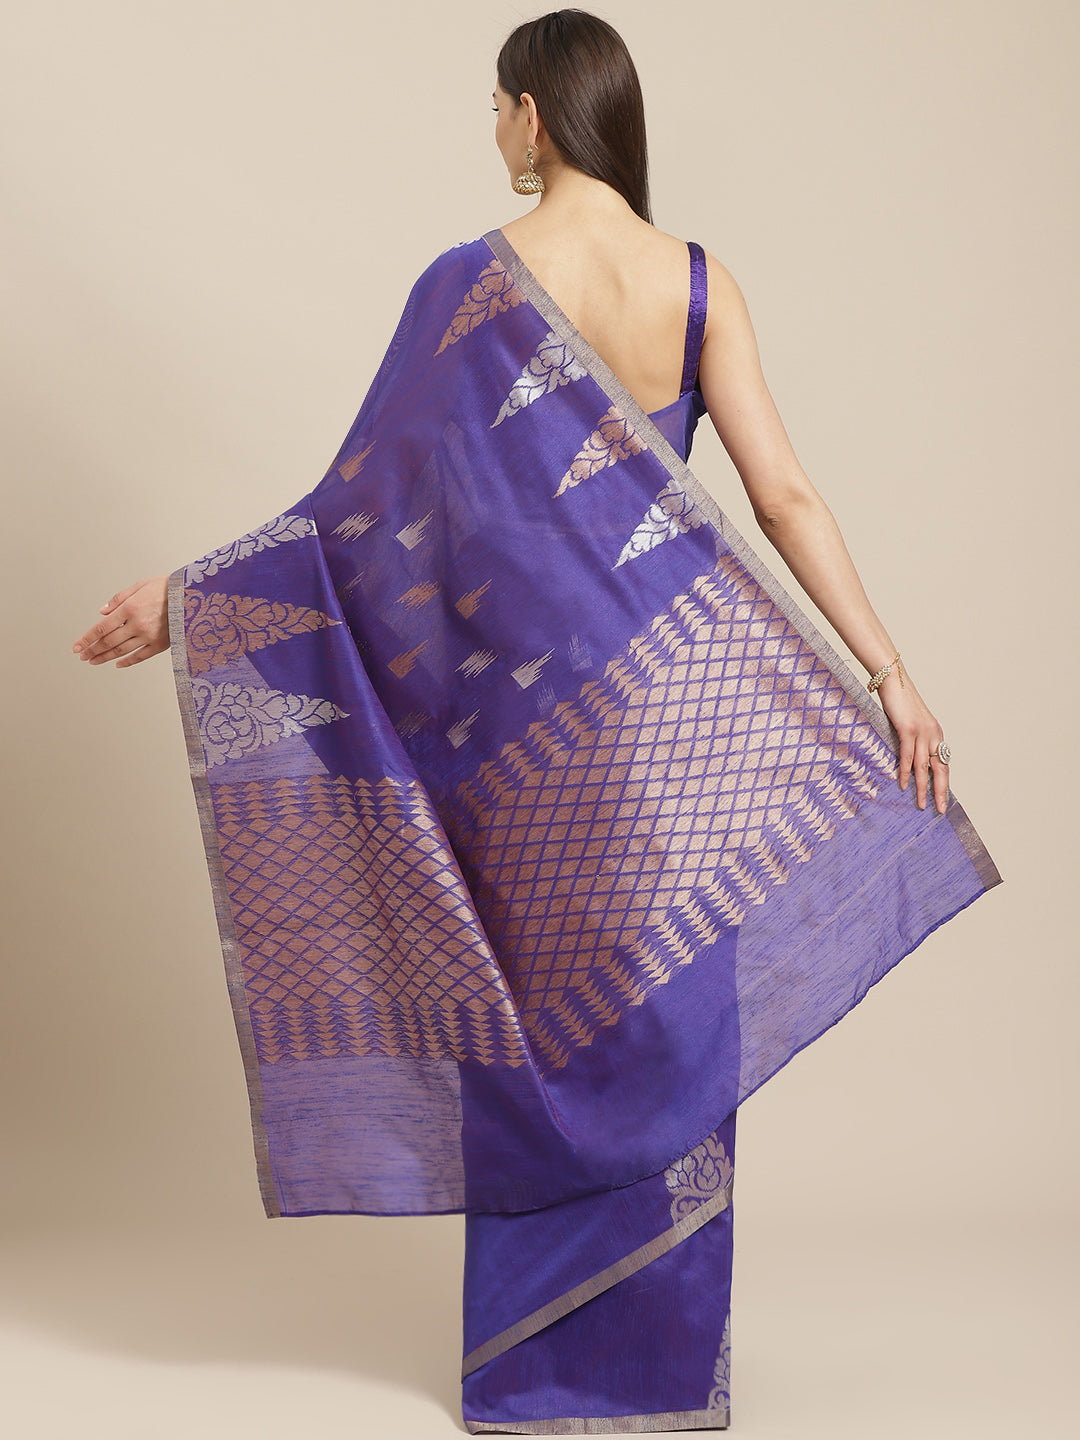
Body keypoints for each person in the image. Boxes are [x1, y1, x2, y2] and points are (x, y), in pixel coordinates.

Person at [71, 9, 1001, 1433]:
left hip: (530, 751)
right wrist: (890, 674)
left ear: (533, 114)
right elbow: (785, 496)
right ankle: (659, 1380)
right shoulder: (697, 282)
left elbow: (357, 519)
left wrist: (192, 598)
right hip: (673, 729)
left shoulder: (470, 286)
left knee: (544, 1030)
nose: (493, 130)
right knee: (667, 1024)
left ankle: (542, 1379)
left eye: (495, 106)